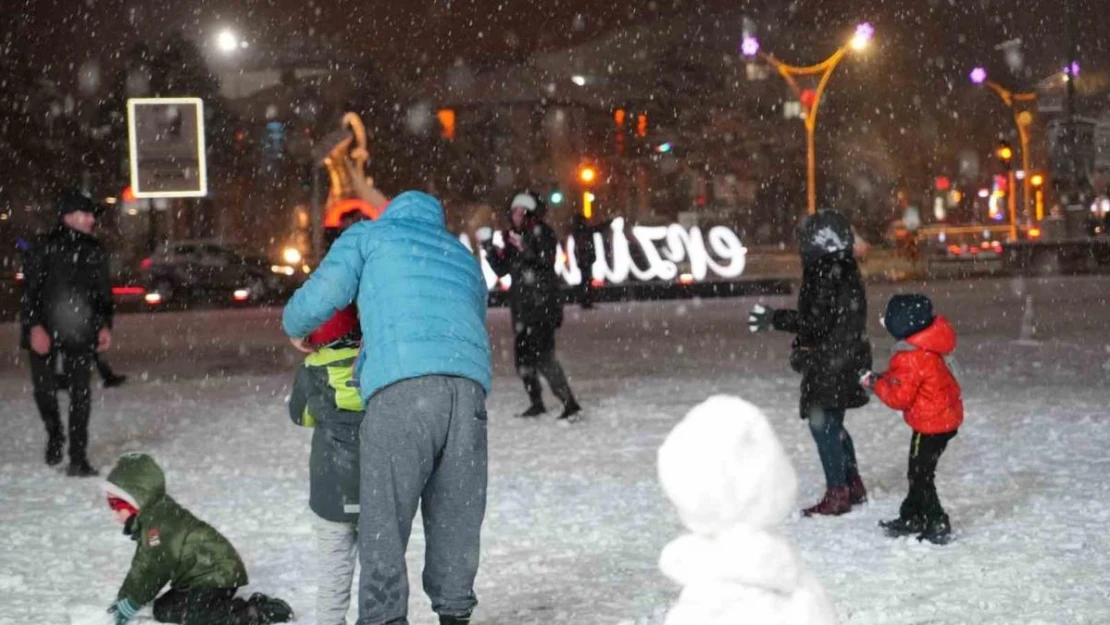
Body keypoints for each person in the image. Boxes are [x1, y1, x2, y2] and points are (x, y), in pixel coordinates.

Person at [282, 190, 491, 625]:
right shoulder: (460, 254)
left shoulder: (370, 236)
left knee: (384, 521)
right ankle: (455, 614)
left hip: (402, 390)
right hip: (468, 392)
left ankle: (383, 619)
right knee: (457, 515)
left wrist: (296, 327)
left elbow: (323, 293)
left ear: (392, 212)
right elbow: (472, 313)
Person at [748, 208, 872, 516]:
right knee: (834, 424)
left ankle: (838, 492)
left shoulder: (823, 271)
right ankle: (851, 484)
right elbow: (833, 318)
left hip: (830, 360)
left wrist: (774, 318)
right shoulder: (845, 268)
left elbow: (815, 322)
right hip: (848, 355)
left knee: (824, 427)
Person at [103, 453, 294, 625]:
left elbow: (153, 569)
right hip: (199, 578)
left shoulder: (157, 527)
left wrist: (132, 602)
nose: (115, 512)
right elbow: (141, 565)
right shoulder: (153, 518)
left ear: (138, 499)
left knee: (195, 616)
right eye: (110, 504)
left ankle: (253, 613)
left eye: (117, 503)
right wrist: (124, 597)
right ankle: (219, 606)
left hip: (216, 575)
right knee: (163, 609)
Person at [20, 188, 114, 476]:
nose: (91, 220)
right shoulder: (44, 247)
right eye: (85, 214)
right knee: (45, 390)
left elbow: (102, 295)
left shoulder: (94, 250)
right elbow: (30, 292)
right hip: (44, 330)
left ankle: (78, 456)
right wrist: (35, 326)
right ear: (68, 217)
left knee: (80, 394)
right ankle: (55, 434)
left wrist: (104, 325)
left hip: (80, 331)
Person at [861, 294, 963, 544]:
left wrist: (873, 382)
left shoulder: (911, 356)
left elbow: (899, 397)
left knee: (920, 475)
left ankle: (935, 519)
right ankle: (912, 515)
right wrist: (884, 378)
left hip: (931, 425)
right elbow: (903, 380)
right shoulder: (928, 346)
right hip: (944, 419)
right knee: (918, 472)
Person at [288, 305, 363, 625]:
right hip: (377, 489)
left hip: (329, 491)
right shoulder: (373, 364)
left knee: (333, 575)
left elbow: (300, 416)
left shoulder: (311, 370)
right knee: (381, 573)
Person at [483, 191, 581, 420]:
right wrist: (489, 248)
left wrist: (524, 247)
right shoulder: (512, 237)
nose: (516, 215)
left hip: (543, 306)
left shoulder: (542, 232)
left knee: (545, 357)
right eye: (514, 211)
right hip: (523, 308)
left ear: (529, 213)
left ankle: (569, 402)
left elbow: (545, 261)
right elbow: (503, 269)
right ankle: (536, 402)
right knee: (523, 360)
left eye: (521, 211)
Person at [569, 213, 609, 309]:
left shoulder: (578, 231)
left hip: (583, 259)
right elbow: (597, 229)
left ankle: (585, 301)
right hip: (585, 258)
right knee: (586, 281)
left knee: (585, 280)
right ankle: (586, 301)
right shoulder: (584, 230)